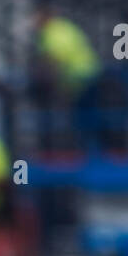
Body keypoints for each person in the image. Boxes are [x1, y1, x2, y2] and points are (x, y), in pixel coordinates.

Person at [30, 9, 102, 152]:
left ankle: (88, 149)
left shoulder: (52, 34)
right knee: (88, 115)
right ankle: (92, 149)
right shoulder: (64, 27)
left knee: (83, 116)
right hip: (88, 72)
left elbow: (54, 60)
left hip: (79, 76)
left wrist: (53, 85)